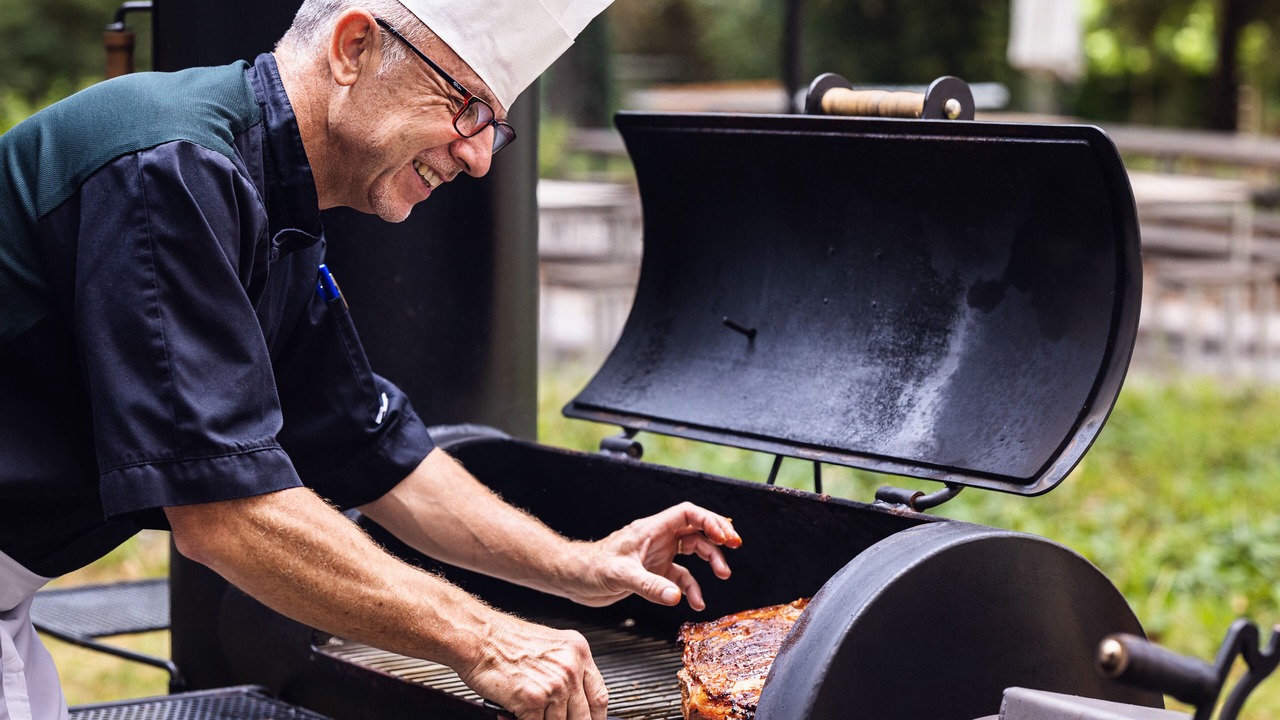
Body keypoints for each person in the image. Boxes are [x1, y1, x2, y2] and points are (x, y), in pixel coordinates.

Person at [0, 1, 743, 719]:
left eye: (496, 128)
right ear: (353, 47)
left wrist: (579, 568)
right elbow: (224, 515)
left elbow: (372, 449)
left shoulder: (272, 206)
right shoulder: (172, 166)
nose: (480, 158)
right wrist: (485, 640)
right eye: (466, 106)